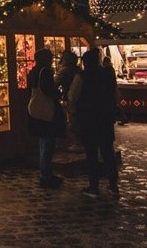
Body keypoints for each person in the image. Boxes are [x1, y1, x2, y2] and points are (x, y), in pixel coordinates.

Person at [70, 48, 120, 199]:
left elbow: (72, 96)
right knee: (107, 152)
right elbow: (115, 94)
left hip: (89, 118)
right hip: (104, 118)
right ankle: (113, 185)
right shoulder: (107, 74)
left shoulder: (82, 76)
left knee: (91, 153)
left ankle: (94, 186)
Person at [27, 48, 65, 189]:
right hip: (46, 111)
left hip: (36, 110)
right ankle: (46, 175)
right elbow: (48, 90)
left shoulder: (33, 72)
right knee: (48, 143)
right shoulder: (46, 72)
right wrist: (58, 93)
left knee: (43, 143)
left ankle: (45, 173)